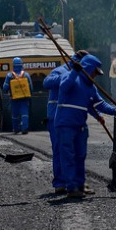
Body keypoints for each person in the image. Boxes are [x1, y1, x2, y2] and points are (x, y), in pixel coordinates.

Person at [55, 53, 116, 198]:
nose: (95, 76)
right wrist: (75, 71)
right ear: (88, 68)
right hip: (65, 125)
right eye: (95, 72)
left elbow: (101, 104)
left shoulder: (91, 88)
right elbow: (64, 87)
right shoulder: (70, 77)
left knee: (80, 156)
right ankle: (72, 188)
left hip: (80, 126)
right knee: (69, 156)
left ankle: (80, 185)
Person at [42, 50, 88, 194]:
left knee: (72, 152)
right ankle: (60, 183)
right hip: (55, 117)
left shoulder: (81, 73)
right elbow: (46, 82)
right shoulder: (59, 71)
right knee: (59, 150)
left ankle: (72, 182)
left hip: (72, 119)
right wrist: (67, 76)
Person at [3, 56, 32, 134]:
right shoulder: (26, 75)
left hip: (14, 98)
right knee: (24, 113)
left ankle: (16, 129)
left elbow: (5, 87)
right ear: (21, 65)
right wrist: (30, 95)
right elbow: (30, 87)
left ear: (13, 65)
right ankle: (24, 128)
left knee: (15, 114)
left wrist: (6, 92)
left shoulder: (10, 76)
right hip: (25, 97)